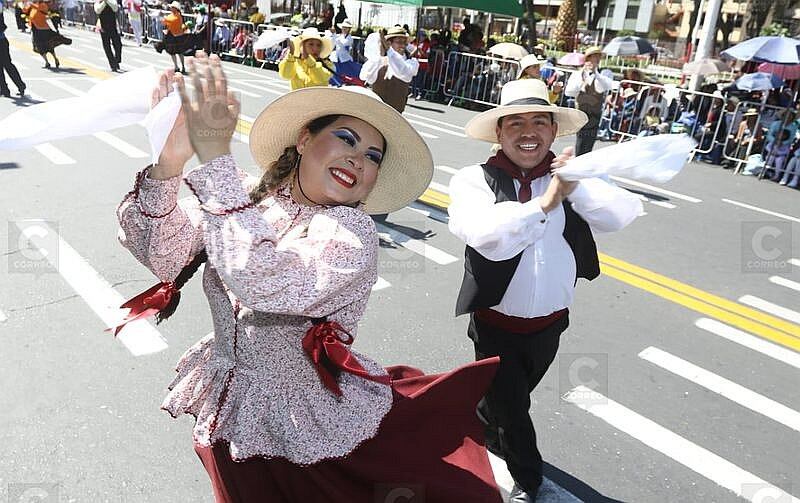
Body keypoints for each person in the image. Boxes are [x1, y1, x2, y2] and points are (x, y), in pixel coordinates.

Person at [114, 51, 503, 503]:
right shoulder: (246, 197)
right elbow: (164, 254)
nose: (357, 159)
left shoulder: (351, 234)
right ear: (303, 139)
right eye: (346, 138)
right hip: (229, 409)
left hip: (305, 432)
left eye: (372, 155)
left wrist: (216, 158)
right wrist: (169, 164)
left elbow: (263, 282)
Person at [448, 78, 641, 502]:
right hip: (495, 325)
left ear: (554, 131)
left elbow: (621, 215)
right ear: (499, 132)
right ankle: (529, 481)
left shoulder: (573, 178)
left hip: (551, 324)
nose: (528, 132)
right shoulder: (474, 179)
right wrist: (544, 203)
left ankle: (480, 424)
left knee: (509, 399)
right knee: (515, 411)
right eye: (515, 123)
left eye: (539, 121)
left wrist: (577, 182)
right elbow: (482, 233)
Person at [565, 46, 613, 155]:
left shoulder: (602, 75)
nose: (597, 59)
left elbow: (607, 86)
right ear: (588, 58)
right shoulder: (577, 74)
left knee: (589, 144)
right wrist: (583, 78)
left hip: (595, 114)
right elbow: (569, 92)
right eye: (594, 56)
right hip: (581, 112)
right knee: (581, 142)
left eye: (598, 57)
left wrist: (595, 73)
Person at [360, 26, 418, 113]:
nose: (403, 45)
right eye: (399, 42)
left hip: (396, 114)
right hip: (375, 111)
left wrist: (389, 50)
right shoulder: (380, 60)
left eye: (404, 42)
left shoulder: (411, 62)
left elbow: (403, 72)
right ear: (389, 43)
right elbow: (367, 77)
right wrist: (379, 56)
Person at [25, 0, 70, 69]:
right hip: (35, 28)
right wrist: (24, 5)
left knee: (49, 45)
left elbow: (39, 8)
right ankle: (47, 62)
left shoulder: (43, 5)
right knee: (39, 46)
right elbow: (25, 10)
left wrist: (30, 4)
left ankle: (55, 59)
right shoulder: (34, 6)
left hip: (44, 28)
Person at [0, 3, 26, 97]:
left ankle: (19, 86)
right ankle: (4, 89)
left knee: (7, 65)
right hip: (2, 40)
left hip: (1, 41)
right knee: (6, 65)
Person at [157, 1, 189, 74]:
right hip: (171, 35)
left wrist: (164, 17)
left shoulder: (178, 16)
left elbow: (172, 21)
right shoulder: (170, 15)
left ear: (175, 8)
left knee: (180, 52)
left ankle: (183, 66)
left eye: (172, 7)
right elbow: (164, 23)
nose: (171, 8)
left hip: (178, 36)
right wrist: (163, 19)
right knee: (172, 52)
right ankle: (176, 66)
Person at [94, 0, 122, 71]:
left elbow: (115, 8)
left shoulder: (112, 1)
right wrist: (104, 2)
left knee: (118, 44)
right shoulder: (98, 2)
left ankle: (117, 60)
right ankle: (113, 64)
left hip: (113, 26)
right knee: (107, 46)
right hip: (103, 27)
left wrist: (107, 1)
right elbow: (98, 10)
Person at [409, 29, 430, 100]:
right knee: (414, 79)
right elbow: (410, 54)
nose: (422, 37)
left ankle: (420, 93)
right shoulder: (414, 43)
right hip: (414, 63)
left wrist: (420, 50)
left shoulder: (427, 45)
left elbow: (426, 55)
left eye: (423, 36)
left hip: (423, 64)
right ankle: (412, 92)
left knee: (420, 80)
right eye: (421, 36)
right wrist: (415, 50)